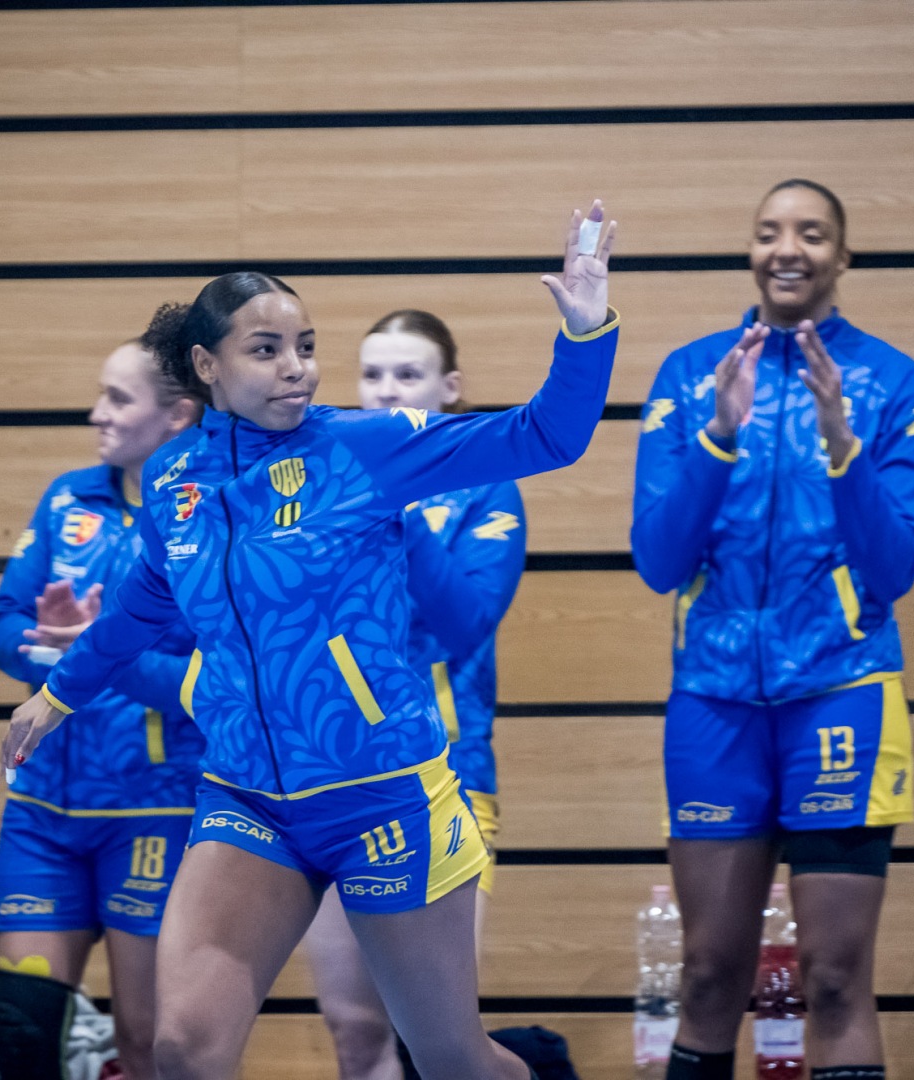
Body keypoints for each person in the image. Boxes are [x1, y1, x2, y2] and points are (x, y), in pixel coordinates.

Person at [0, 201, 618, 1080]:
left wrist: (586, 328)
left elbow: (548, 434)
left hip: (382, 794)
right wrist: (56, 695)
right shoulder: (173, 476)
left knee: (450, 1060)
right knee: (183, 1051)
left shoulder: (367, 447)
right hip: (246, 798)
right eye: (266, 349)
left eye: (305, 346)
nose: (297, 368)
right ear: (206, 365)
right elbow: (144, 603)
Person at [631, 179, 914, 1080]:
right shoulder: (690, 376)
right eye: (769, 232)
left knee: (834, 979)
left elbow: (894, 570)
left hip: (842, 693)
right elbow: (658, 561)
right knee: (706, 974)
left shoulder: (893, 383)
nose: (788, 249)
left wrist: (844, 446)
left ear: (842, 256)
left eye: (811, 233)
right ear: (752, 251)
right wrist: (718, 436)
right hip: (713, 703)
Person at [303, 309, 526, 1080]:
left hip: (446, 781)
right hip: (332, 781)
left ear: (449, 388)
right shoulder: (317, 485)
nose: (386, 391)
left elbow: (465, 623)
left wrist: (399, 516)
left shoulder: (486, 485)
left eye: (408, 374)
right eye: (372, 375)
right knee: (354, 1030)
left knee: (442, 1041)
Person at [0, 339, 205, 1080]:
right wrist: (50, 651)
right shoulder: (66, 498)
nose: (96, 414)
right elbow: (5, 622)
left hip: (154, 811)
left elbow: (210, 679)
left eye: (118, 398)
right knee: (22, 1038)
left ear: (178, 415)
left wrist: (100, 654)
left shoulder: (206, 517)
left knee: (148, 1043)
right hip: (42, 811)